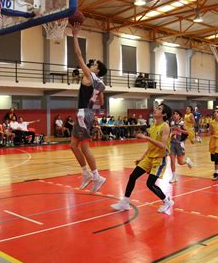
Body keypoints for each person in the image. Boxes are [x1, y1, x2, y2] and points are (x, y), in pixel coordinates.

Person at [111, 104, 174, 214]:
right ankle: (125, 202)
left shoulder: (165, 126)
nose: (155, 109)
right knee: (133, 176)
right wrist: (142, 157)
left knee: (150, 184)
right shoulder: (153, 126)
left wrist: (146, 137)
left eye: (159, 109)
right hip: (149, 157)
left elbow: (163, 145)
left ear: (164, 114)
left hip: (159, 159)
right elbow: (151, 146)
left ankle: (167, 201)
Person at [70, 22, 107, 193]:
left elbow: (78, 55)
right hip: (87, 112)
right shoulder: (100, 83)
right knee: (73, 145)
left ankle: (96, 176)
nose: (91, 63)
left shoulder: (91, 76)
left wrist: (75, 35)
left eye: (94, 63)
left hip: (84, 113)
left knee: (84, 147)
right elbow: (102, 100)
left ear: (97, 69)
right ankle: (86, 173)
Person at [169, 110, 193, 183]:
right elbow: (171, 131)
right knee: (172, 160)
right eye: (174, 114)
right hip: (172, 143)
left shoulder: (182, 124)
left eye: (176, 114)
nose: (175, 115)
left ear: (179, 116)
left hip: (180, 144)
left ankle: (187, 161)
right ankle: (174, 176)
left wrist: (180, 130)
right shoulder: (172, 123)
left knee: (180, 162)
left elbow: (187, 132)